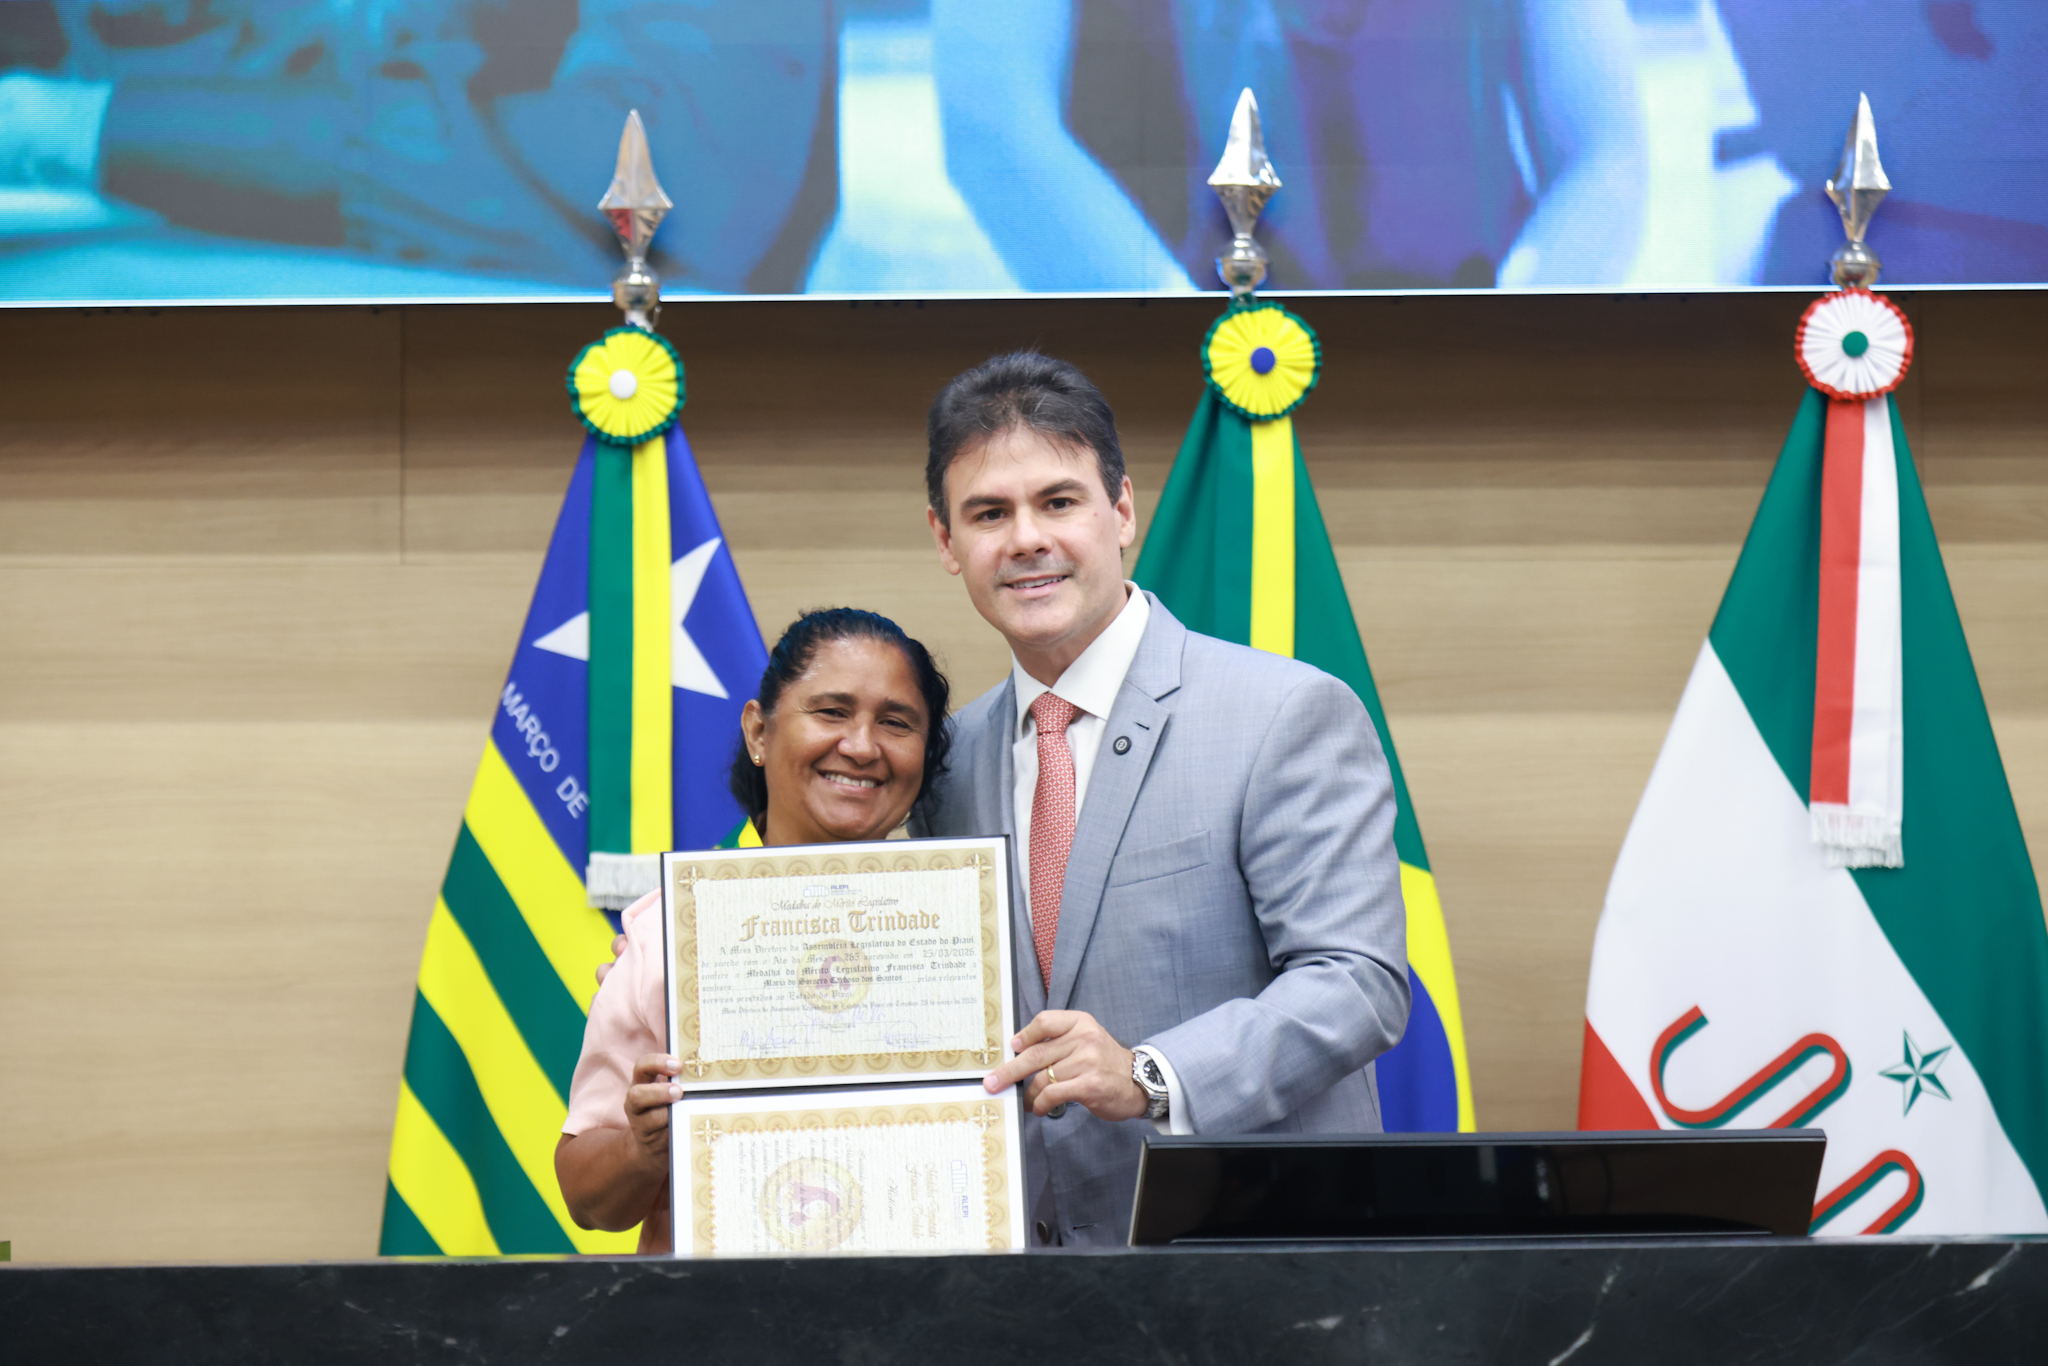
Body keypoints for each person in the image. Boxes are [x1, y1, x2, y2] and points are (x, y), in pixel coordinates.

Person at [916, 351, 1409, 1247]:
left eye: (1058, 502)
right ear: (947, 544)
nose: (1026, 538)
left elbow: (1358, 983)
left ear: (1123, 510)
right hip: (1027, 1288)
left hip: (1253, 1261)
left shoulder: (1284, 713)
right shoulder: (947, 762)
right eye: (989, 513)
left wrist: (1151, 1074)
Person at [554, 607, 951, 1254]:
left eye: (896, 723)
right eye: (830, 711)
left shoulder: (970, 935)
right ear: (759, 731)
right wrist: (643, 1146)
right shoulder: (669, 934)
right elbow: (585, 1198)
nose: (860, 745)